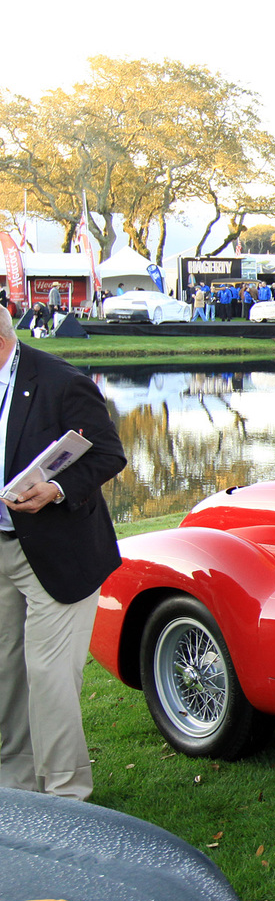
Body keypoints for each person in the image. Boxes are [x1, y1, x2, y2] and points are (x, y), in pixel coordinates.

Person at [0, 308, 126, 800]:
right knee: (8, 674)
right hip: (3, 549)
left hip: (60, 552)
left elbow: (109, 453)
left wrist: (53, 488)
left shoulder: (60, 382)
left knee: (49, 677)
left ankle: (67, 795)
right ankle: (16, 789)